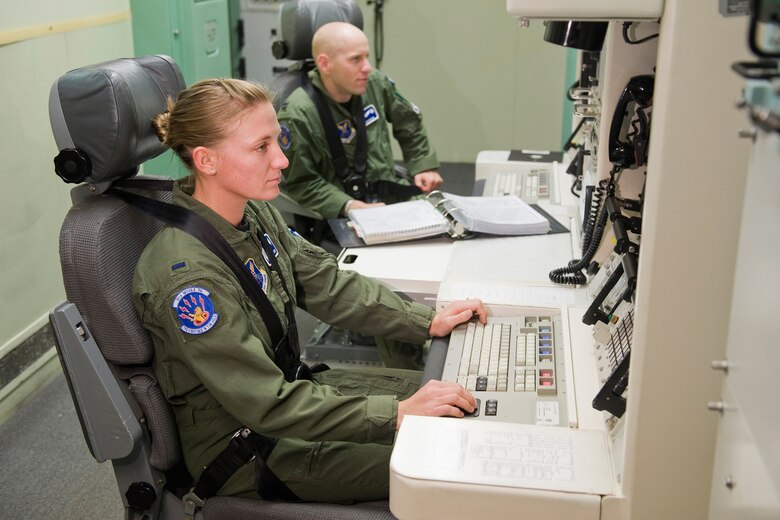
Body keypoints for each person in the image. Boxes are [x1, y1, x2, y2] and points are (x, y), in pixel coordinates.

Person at [132, 77, 485, 503]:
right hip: (248, 450)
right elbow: (266, 402)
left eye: (277, 141)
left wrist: (428, 321)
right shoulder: (188, 278)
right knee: (452, 451)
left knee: (458, 399)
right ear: (207, 161)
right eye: (261, 147)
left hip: (289, 402)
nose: (281, 160)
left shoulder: (255, 212)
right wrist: (396, 414)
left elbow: (328, 286)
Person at [276, 21, 443, 220]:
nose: (367, 67)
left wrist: (422, 165)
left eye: (367, 57)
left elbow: (408, 122)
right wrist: (349, 206)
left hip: (389, 195)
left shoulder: (374, 83)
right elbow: (302, 183)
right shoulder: (298, 114)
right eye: (355, 59)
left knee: (450, 224)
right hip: (343, 213)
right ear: (324, 64)